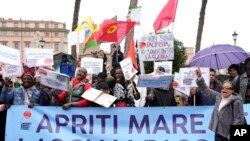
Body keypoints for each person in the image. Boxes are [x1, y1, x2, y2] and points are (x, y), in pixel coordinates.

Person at [195, 67, 245, 141]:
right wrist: (199, 77)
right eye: (223, 88)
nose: (224, 90)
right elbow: (206, 90)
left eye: (227, 88)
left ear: (232, 90)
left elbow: (239, 121)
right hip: (219, 133)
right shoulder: (219, 97)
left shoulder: (236, 101)